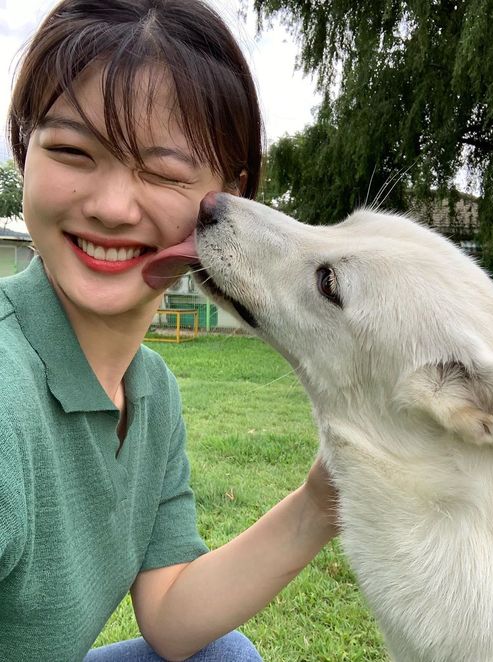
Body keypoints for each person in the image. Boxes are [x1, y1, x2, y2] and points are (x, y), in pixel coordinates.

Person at [0, 1, 338, 660]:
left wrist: (322, 504)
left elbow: (172, 614)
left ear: (226, 207)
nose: (110, 208)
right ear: (25, 150)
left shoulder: (150, 392)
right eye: (72, 150)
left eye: (162, 172)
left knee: (225, 654)